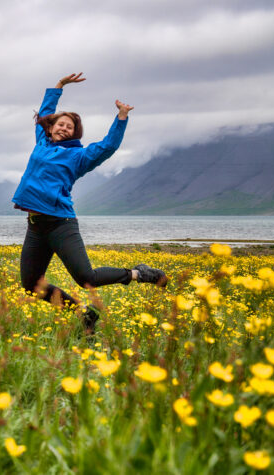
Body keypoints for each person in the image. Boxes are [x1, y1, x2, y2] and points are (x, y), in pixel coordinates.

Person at [11, 72, 167, 334]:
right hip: (35, 226)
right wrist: (58, 87)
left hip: (61, 224)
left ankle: (140, 274)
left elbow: (108, 147)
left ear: (74, 133)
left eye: (69, 127)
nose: (63, 128)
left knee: (87, 278)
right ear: (50, 127)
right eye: (59, 124)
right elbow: (44, 113)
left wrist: (121, 117)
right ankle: (84, 315)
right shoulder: (41, 142)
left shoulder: (79, 157)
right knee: (31, 285)